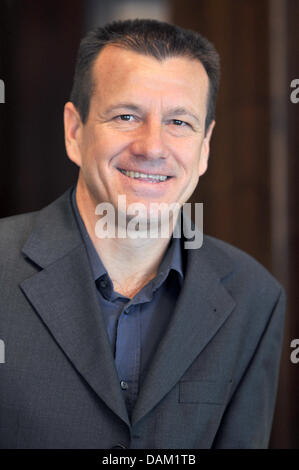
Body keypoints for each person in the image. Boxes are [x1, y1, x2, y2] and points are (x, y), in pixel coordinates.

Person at [0, 18, 286, 449]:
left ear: (205, 147)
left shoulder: (254, 298)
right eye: (126, 115)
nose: (152, 147)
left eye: (179, 123)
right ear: (75, 132)